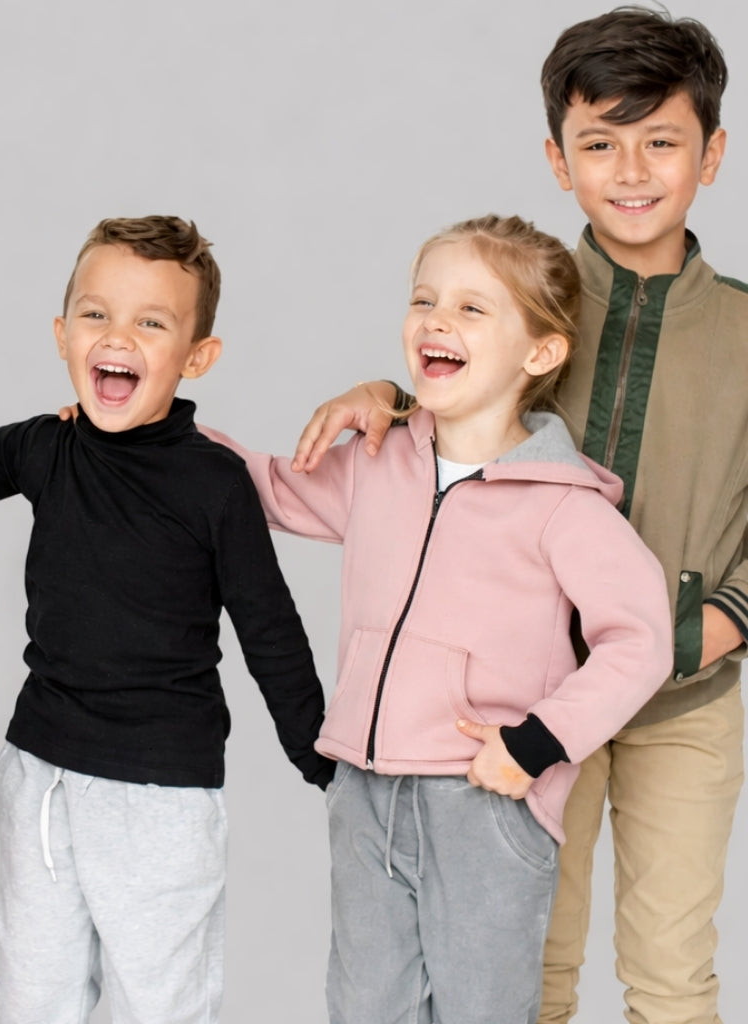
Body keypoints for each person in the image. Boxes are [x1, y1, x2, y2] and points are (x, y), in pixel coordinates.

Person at [293, 12, 748, 1022]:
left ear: (711, 155)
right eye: (600, 143)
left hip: (686, 696)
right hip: (524, 705)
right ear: (559, 160)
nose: (632, 170)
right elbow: (458, 406)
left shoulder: (743, 330)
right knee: (527, 974)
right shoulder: (520, 293)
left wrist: (716, 625)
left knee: (672, 975)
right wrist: (386, 394)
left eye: (662, 141)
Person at [209, 214, 671, 1023]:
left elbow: (641, 640)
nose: (436, 320)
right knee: (364, 1008)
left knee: (480, 1011)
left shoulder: (564, 505)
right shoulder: (380, 460)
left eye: (471, 308)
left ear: (540, 354)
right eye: (424, 300)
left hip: (482, 801)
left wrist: (534, 745)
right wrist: (155, 435)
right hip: (365, 788)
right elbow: (266, 490)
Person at [0, 216, 331, 1023]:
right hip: (41, 774)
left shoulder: (215, 483)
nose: (117, 336)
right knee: (32, 999)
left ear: (198, 356)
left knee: (158, 1004)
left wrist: (323, 760)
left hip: (161, 793)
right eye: (96, 314)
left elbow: (270, 630)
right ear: (62, 334)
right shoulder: (45, 446)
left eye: (151, 323)